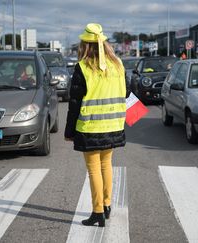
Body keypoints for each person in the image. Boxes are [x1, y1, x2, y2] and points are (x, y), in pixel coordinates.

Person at [64, 23, 127, 227]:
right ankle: (107, 205)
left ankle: (98, 211)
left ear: (85, 45)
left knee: (94, 170)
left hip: (90, 128)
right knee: (106, 165)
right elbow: (126, 93)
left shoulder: (83, 68)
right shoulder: (118, 64)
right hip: (113, 125)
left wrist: (69, 131)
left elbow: (74, 102)